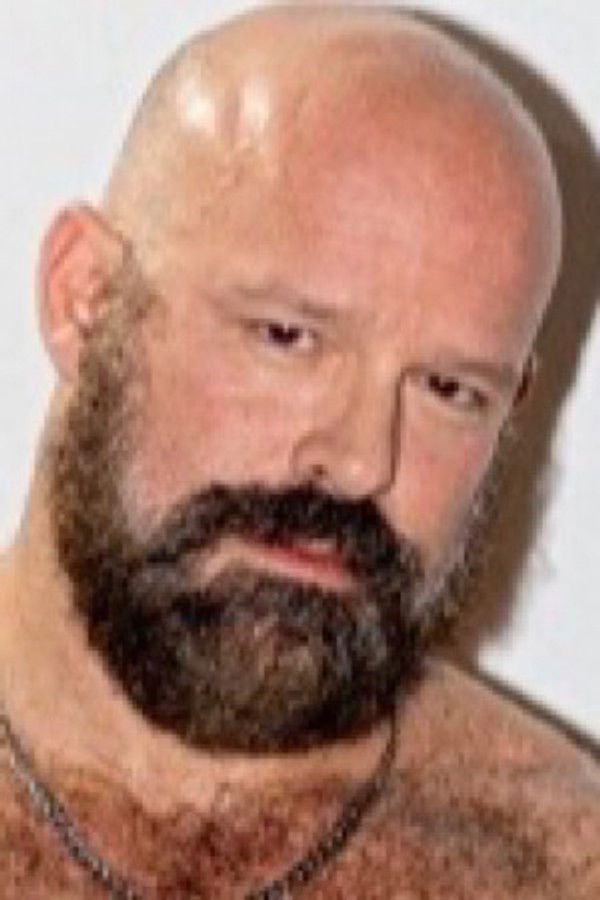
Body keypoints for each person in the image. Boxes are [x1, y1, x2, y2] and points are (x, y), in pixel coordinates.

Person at [0, 5, 598, 897]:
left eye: (448, 390)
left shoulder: (556, 865)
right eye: (287, 336)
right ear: (83, 299)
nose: (359, 464)